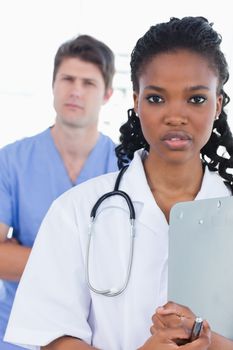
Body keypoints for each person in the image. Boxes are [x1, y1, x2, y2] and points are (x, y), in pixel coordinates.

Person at [4, 16, 233, 350]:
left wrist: (210, 344)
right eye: (156, 98)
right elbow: (53, 339)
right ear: (136, 101)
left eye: (196, 98)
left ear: (218, 105)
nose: (175, 115)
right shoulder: (76, 211)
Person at [0, 34, 118, 350]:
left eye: (88, 83)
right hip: (18, 334)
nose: (75, 91)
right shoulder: (11, 160)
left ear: (107, 94)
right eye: (67, 79)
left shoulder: (126, 166)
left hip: (97, 337)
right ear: (53, 85)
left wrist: (26, 258)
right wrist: (92, 265)